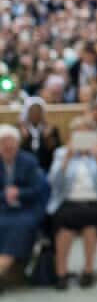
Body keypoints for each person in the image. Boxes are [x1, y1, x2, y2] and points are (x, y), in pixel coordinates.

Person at [46, 132, 97, 290]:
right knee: (64, 225)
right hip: (68, 201)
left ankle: (88, 269)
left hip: (95, 201)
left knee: (91, 222)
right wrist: (67, 159)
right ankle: (61, 272)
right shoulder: (61, 153)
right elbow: (53, 182)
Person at [0, 125, 46, 291]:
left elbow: (37, 190)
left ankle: (4, 268)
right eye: (3, 142)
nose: (7, 146)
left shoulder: (29, 161)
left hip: (26, 209)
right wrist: (5, 194)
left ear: (17, 144)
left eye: (10, 142)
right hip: (3, 209)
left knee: (20, 227)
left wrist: (19, 192)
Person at [18, 96, 61, 172]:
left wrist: (48, 139)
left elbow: (57, 151)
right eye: (32, 111)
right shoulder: (19, 129)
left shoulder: (52, 129)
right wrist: (24, 138)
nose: (35, 113)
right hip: (24, 169)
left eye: (38, 110)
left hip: (46, 167)